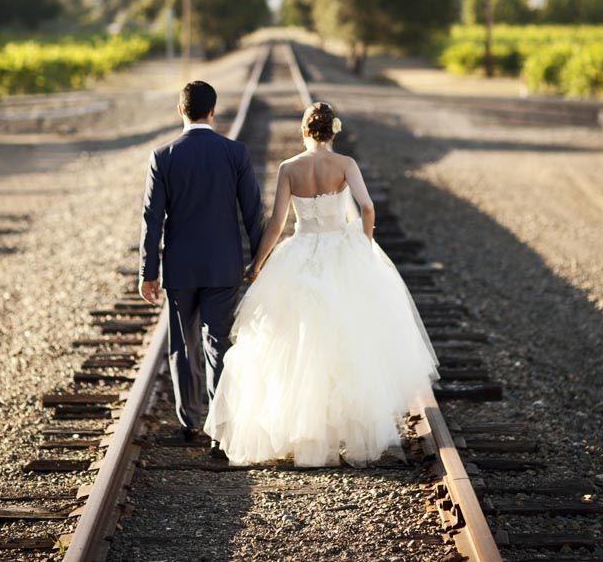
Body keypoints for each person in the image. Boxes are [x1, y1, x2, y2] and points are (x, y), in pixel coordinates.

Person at [204, 101, 440, 467]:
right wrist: (363, 243)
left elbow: (278, 222)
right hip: (339, 250)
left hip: (300, 252)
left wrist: (258, 263)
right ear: (333, 133)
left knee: (296, 344)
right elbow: (367, 208)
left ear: (304, 132)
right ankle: (347, 434)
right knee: (348, 342)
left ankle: (306, 435)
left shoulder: (289, 168)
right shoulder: (345, 165)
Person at [138, 80, 265, 448]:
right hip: (224, 265)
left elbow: (151, 220)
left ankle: (189, 421)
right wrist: (259, 261)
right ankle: (221, 426)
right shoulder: (235, 152)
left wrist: (148, 273)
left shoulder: (163, 156)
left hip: (180, 268)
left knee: (183, 344)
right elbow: (253, 214)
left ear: (180, 111)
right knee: (218, 344)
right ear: (213, 111)